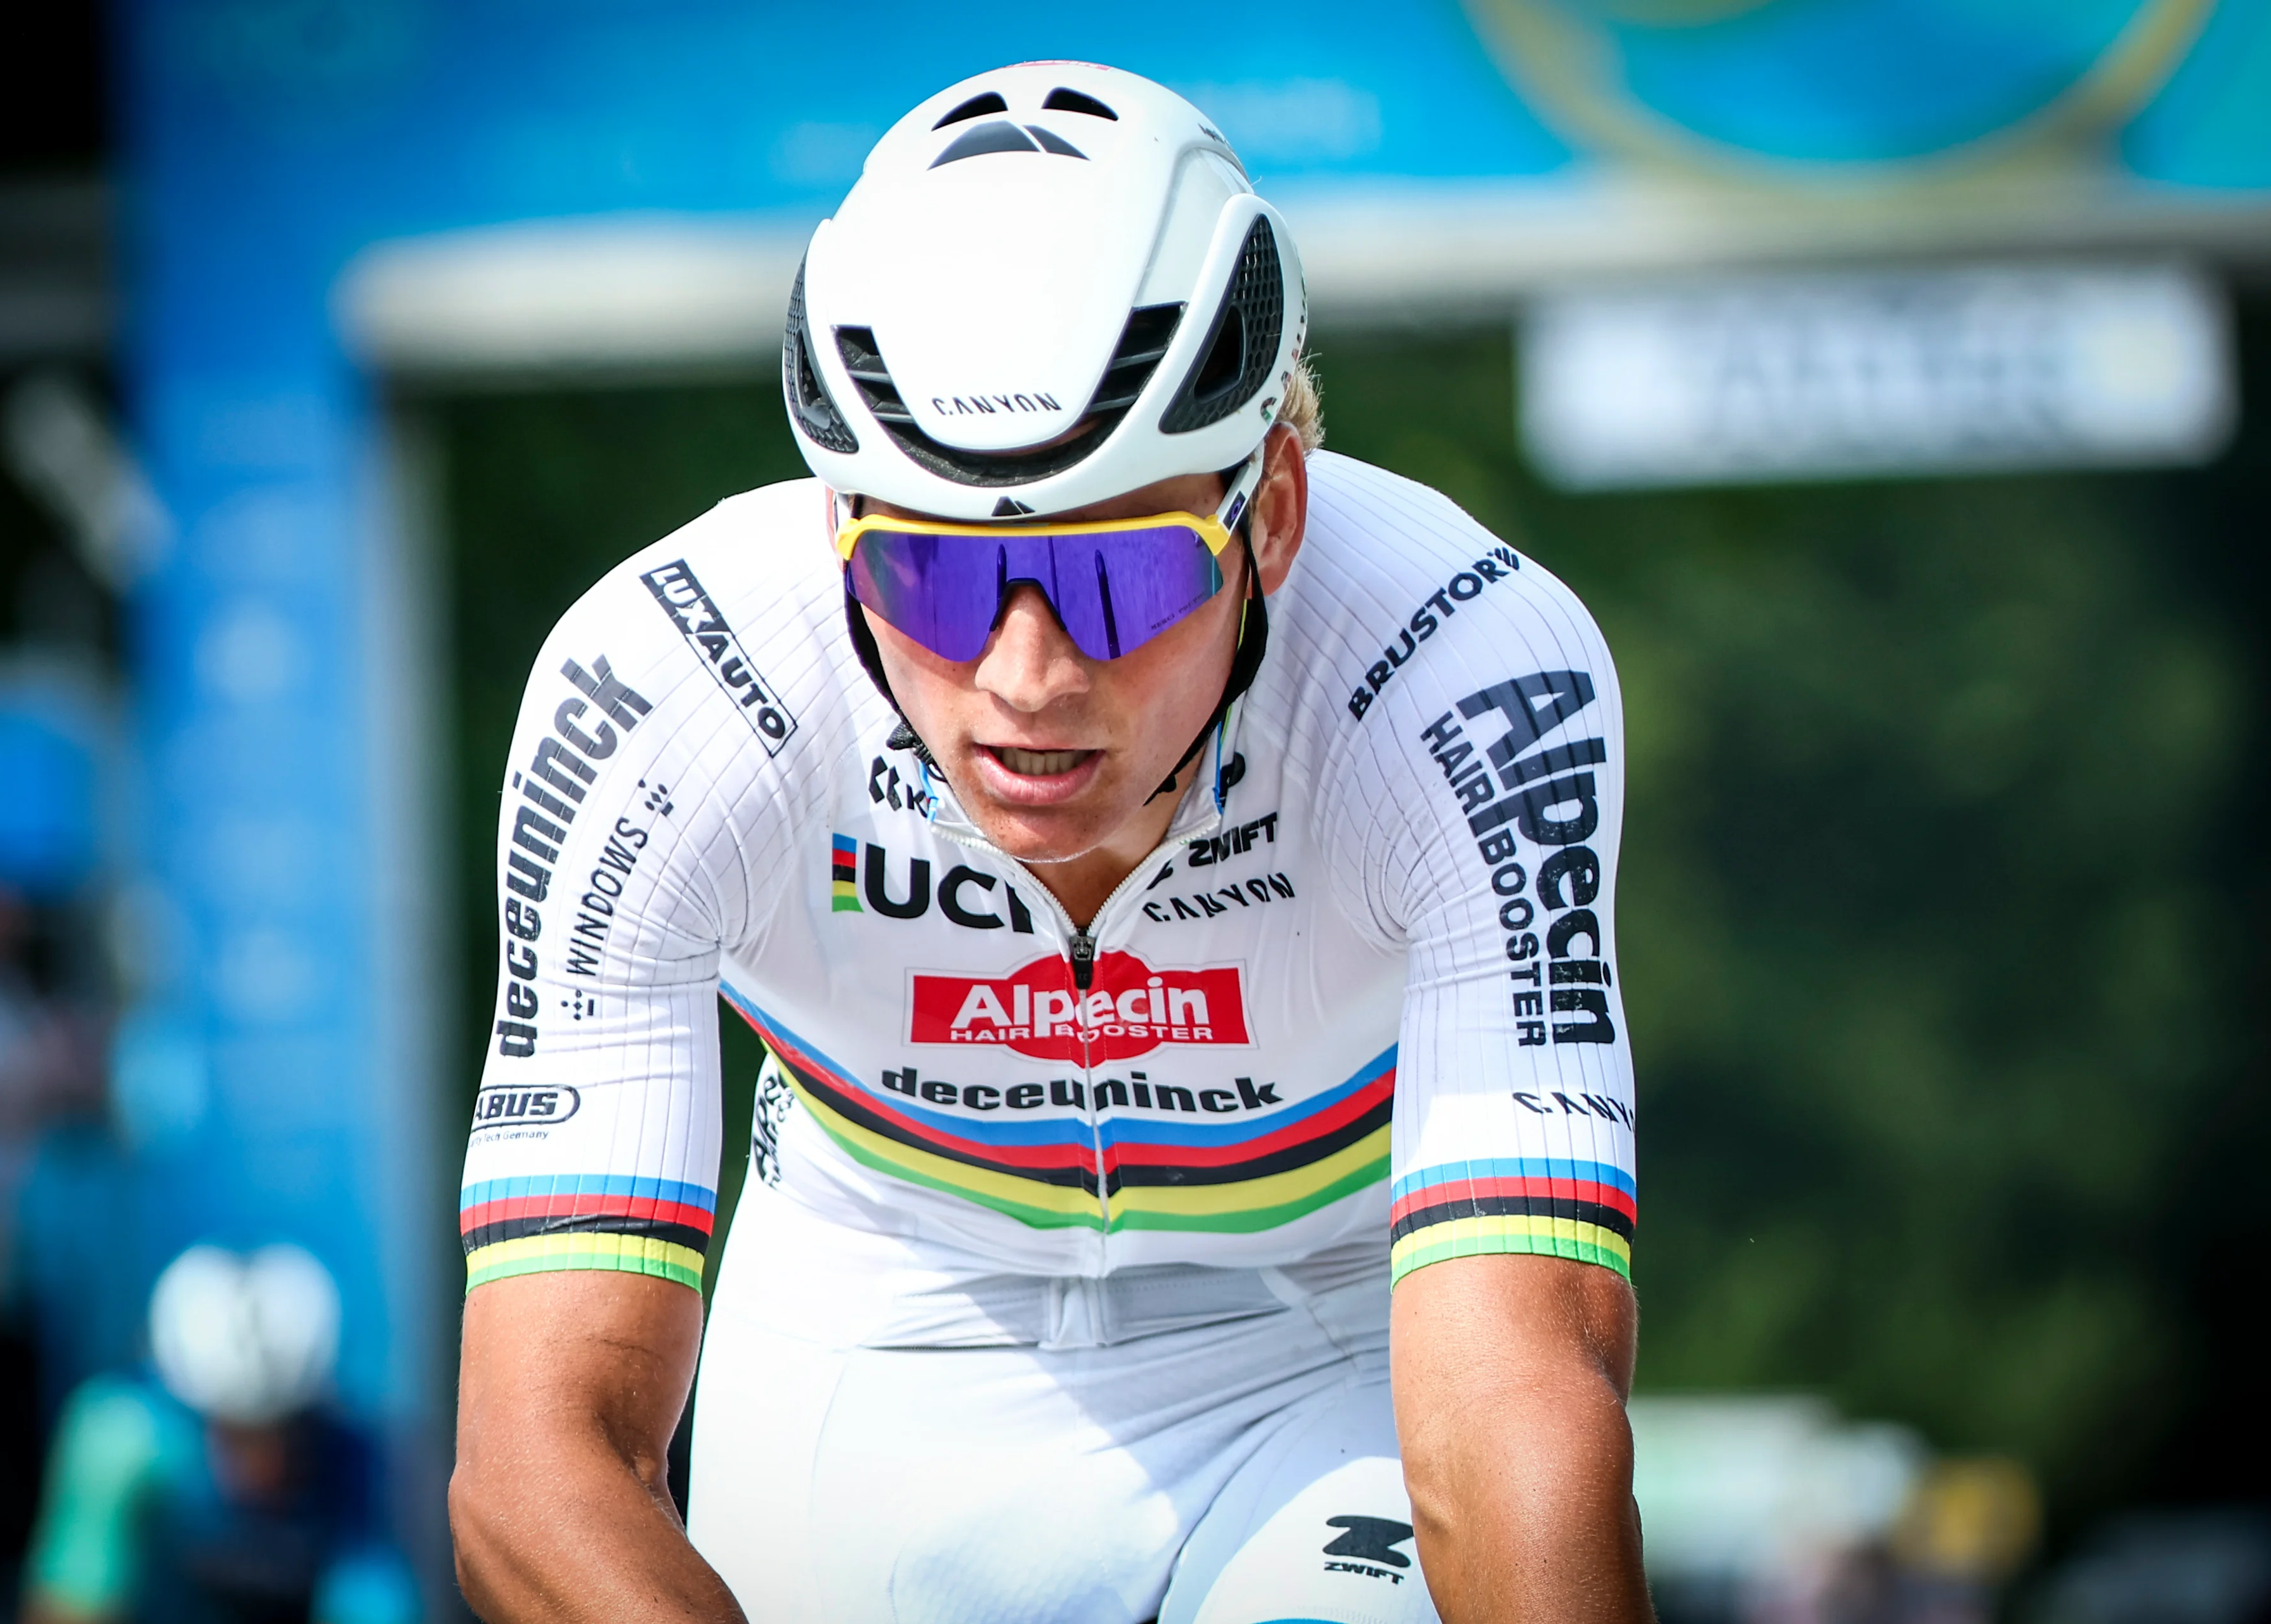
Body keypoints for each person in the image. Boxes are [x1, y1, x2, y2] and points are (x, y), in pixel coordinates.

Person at [451, 62, 1646, 1624]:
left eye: (1115, 577)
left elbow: (1513, 1410)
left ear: (1270, 510)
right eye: (935, 583)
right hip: (882, 1326)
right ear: (835, 533)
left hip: (1333, 1330)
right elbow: (533, 1462)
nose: (1026, 678)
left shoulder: (1452, 672)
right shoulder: (675, 693)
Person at [22, 1246, 416, 1624]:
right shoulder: (121, 1440)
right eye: (235, 1432)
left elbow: (370, 1606)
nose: (263, 1461)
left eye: (283, 1429)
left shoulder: (352, 1459)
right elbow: (69, 1606)